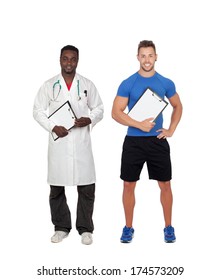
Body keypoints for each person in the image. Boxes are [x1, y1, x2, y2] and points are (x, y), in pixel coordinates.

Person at [112, 40, 182, 243]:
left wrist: (171, 129)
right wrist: (138, 124)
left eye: (150, 55)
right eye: (143, 56)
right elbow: (115, 112)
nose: (147, 60)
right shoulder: (128, 83)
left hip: (157, 141)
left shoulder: (165, 83)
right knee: (128, 185)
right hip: (133, 141)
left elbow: (178, 106)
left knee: (166, 185)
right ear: (137, 58)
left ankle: (168, 227)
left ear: (156, 57)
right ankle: (128, 227)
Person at [33, 45, 103, 245]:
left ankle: (85, 229)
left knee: (87, 188)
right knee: (56, 189)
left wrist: (89, 119)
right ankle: (61, 227)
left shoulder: (87, 84)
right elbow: (37, 110)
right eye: (65, 58)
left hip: (81, 144)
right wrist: (53, 127)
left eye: (73, 59)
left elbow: (99, 108)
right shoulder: (49, 85)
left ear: (78, 61)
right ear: (60, 60)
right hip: (59, 144)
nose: (69, 62)